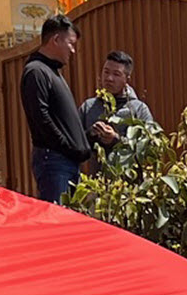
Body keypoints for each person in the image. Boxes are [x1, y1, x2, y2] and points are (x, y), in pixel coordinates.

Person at [20, 16, 93, 204]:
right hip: (54, 161)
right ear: (56, 39)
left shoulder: (52, 72)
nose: (73, 50)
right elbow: (41, 118)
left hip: (65, 162)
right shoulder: (36, 71)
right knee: (57, 216)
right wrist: (67, 146)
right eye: (70, 44)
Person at [82, 49, 157, 150]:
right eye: (106, 72)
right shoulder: (88, 107)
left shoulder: (139, 109)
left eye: (116, 74)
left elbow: (150, 146)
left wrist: (116, 140)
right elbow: (74, 142)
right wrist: (91, 134)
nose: (109, 78)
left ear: (127, 79)